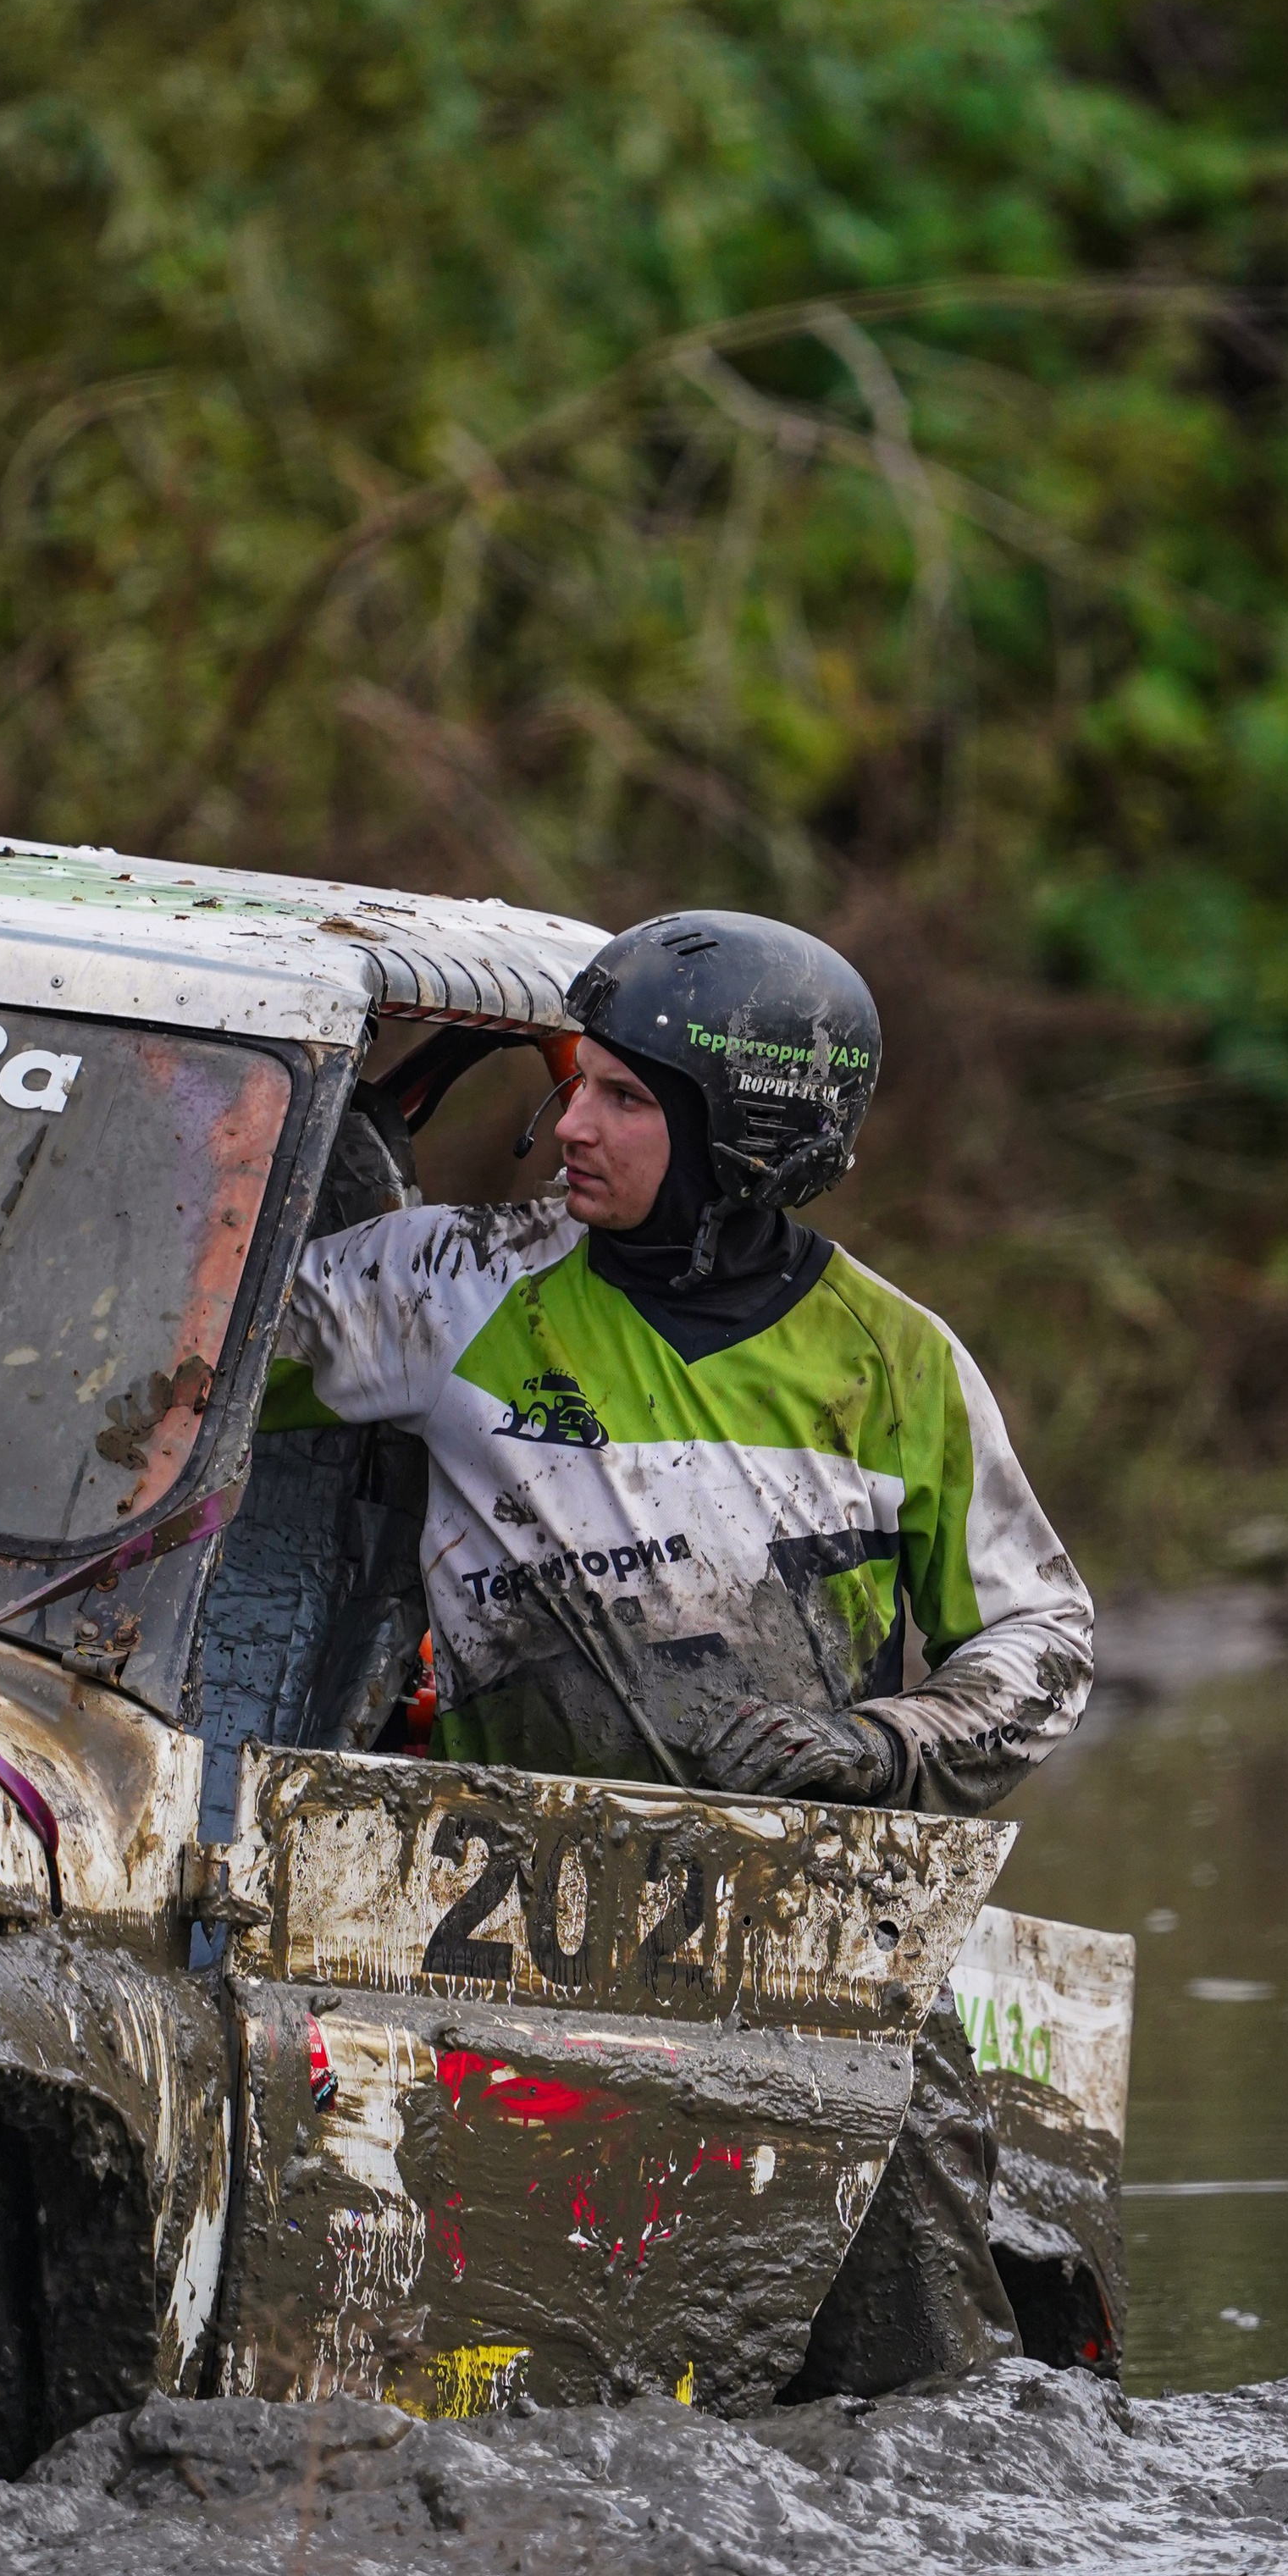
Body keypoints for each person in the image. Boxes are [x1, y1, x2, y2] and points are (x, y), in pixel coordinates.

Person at [263, 909, 1096, 2382]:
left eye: (627, 1099)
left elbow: (1042, 1634)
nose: (566, 1122)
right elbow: (164, 1353)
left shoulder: (902, 1363)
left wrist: (884, 1743)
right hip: (515, 1923)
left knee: (925, 2392)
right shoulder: (446, 1285)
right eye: (573, 1082)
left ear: (750, 1139)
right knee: (509, 2388)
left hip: (819, 1930)